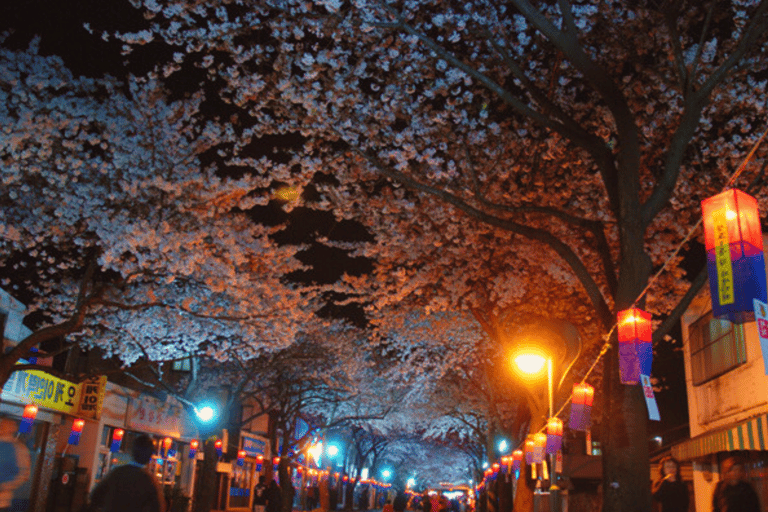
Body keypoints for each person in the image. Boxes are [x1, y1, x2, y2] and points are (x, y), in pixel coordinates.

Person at [87, 434, 165, 512]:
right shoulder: (150, 481)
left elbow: (95, 496)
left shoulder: (117, 473)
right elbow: (157, 508)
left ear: (132, 451)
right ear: (149, 456)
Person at [0, 418, 31, 512]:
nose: (2, 427)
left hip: (2, 501)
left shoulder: (18, 448)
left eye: (5, 424)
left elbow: (24, 474)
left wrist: (4, 487)